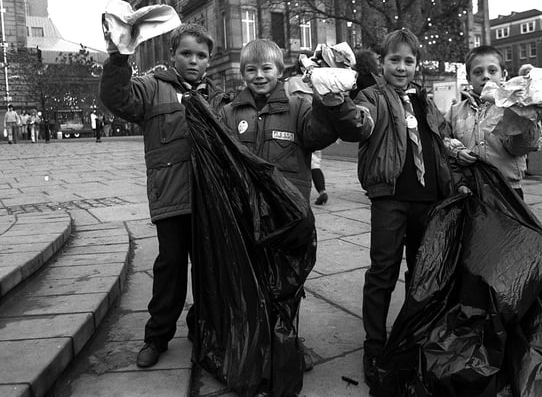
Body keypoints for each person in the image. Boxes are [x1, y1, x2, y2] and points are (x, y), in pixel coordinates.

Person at [218, 39, 369, 372]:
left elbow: (320, 136)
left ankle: (288, 341)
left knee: (288, 285)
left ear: (280, 71)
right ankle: (254, 343)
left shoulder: (298, 107)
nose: (259, 75)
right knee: (250, 282)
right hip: (245, 216)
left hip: (287, 219)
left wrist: (330, 101)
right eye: (251, 69)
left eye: (266, 68)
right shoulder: (229, 113)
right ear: (243, 73)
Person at [325, 29, 463, 391]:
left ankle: (417, 334)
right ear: (382, 62)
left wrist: (454, 154)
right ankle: (374, 344)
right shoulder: (373, 96)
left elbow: (440, 139)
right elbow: (360, 124)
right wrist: (338, 100)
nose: (401, 68)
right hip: (390, 199)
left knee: (423, 273)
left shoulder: (426, 102)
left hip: (428, 201)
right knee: (383, 271)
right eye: (394, 60)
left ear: (417, 65)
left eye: (409, 61)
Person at [99, 22, 224, 368]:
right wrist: (118, 59)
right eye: (186, 53)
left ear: (209, 61)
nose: (194, 61)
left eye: (201, 55)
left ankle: (203, 327)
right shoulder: (152, 88)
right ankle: (157, 336)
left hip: (209, 199)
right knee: (169, 267)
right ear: (173, 55)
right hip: (171, 197)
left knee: (207, 268)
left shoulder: (218, 96)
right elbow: (116, 98)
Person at [445, 46, 542, 199]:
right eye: (478, 72)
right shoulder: (455, 111)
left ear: (503, 74)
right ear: (468, 78)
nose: (485, 76)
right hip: (470, 188)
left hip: (507, 188)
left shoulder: (514, 108)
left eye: (492, 71)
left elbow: (523, 147)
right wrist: (456, 150)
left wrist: (524, 121)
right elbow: (443, 138)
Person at [282, 53, 329, 205]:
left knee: (295, 162)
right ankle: (322, 190)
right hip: (314, 123)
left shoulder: (290, 82)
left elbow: (283, 102)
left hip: (294, 125)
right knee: (315, 162)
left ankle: (294, 194)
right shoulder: (318, 83)